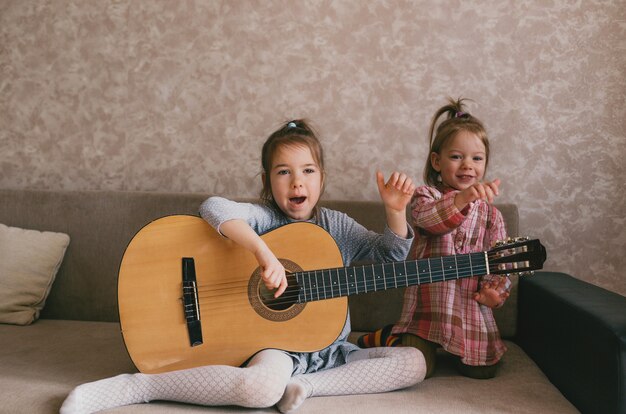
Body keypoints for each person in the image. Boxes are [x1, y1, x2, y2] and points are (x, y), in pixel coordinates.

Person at [60, 119, 426, 414]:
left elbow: (390, 257)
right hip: (276, 350)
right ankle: (139, 386)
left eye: (308, 170)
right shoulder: (263, 218)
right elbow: (214, 207)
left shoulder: (337, 227)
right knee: (259, 388)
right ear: (268, 180)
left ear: (322, 178)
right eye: (283, 172)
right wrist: (263, 254)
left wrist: (395, 212)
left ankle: (306, 389)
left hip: (329, 354)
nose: (297, 180)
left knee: (414, 362)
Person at [358, 98, 510, 380]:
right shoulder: (426, 197)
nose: (468, 165)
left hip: (468, 310)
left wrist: (494, 292)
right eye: (456, 157)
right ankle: (391, 335)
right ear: (437, 161)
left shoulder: (492, 216)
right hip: (426, 313)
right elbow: (431, 221)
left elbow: (500, 261)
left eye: (477, 158)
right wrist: (462, 198)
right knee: (419, 369)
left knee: (484, 371)